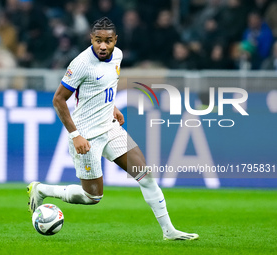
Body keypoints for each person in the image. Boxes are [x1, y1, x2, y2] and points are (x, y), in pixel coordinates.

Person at [27, 17, 199, 241]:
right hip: (86, 135)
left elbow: (105, 85)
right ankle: (42, 190)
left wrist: (113, 107)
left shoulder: (117, 55)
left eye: (108, 41)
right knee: (92, 197)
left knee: (146, 176)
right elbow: (58, 100)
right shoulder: (81, 64)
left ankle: (169, 231)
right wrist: (75, 135)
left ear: (115, 40)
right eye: (98, 40)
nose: (102, 46)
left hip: (110, 127)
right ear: (91, 39)